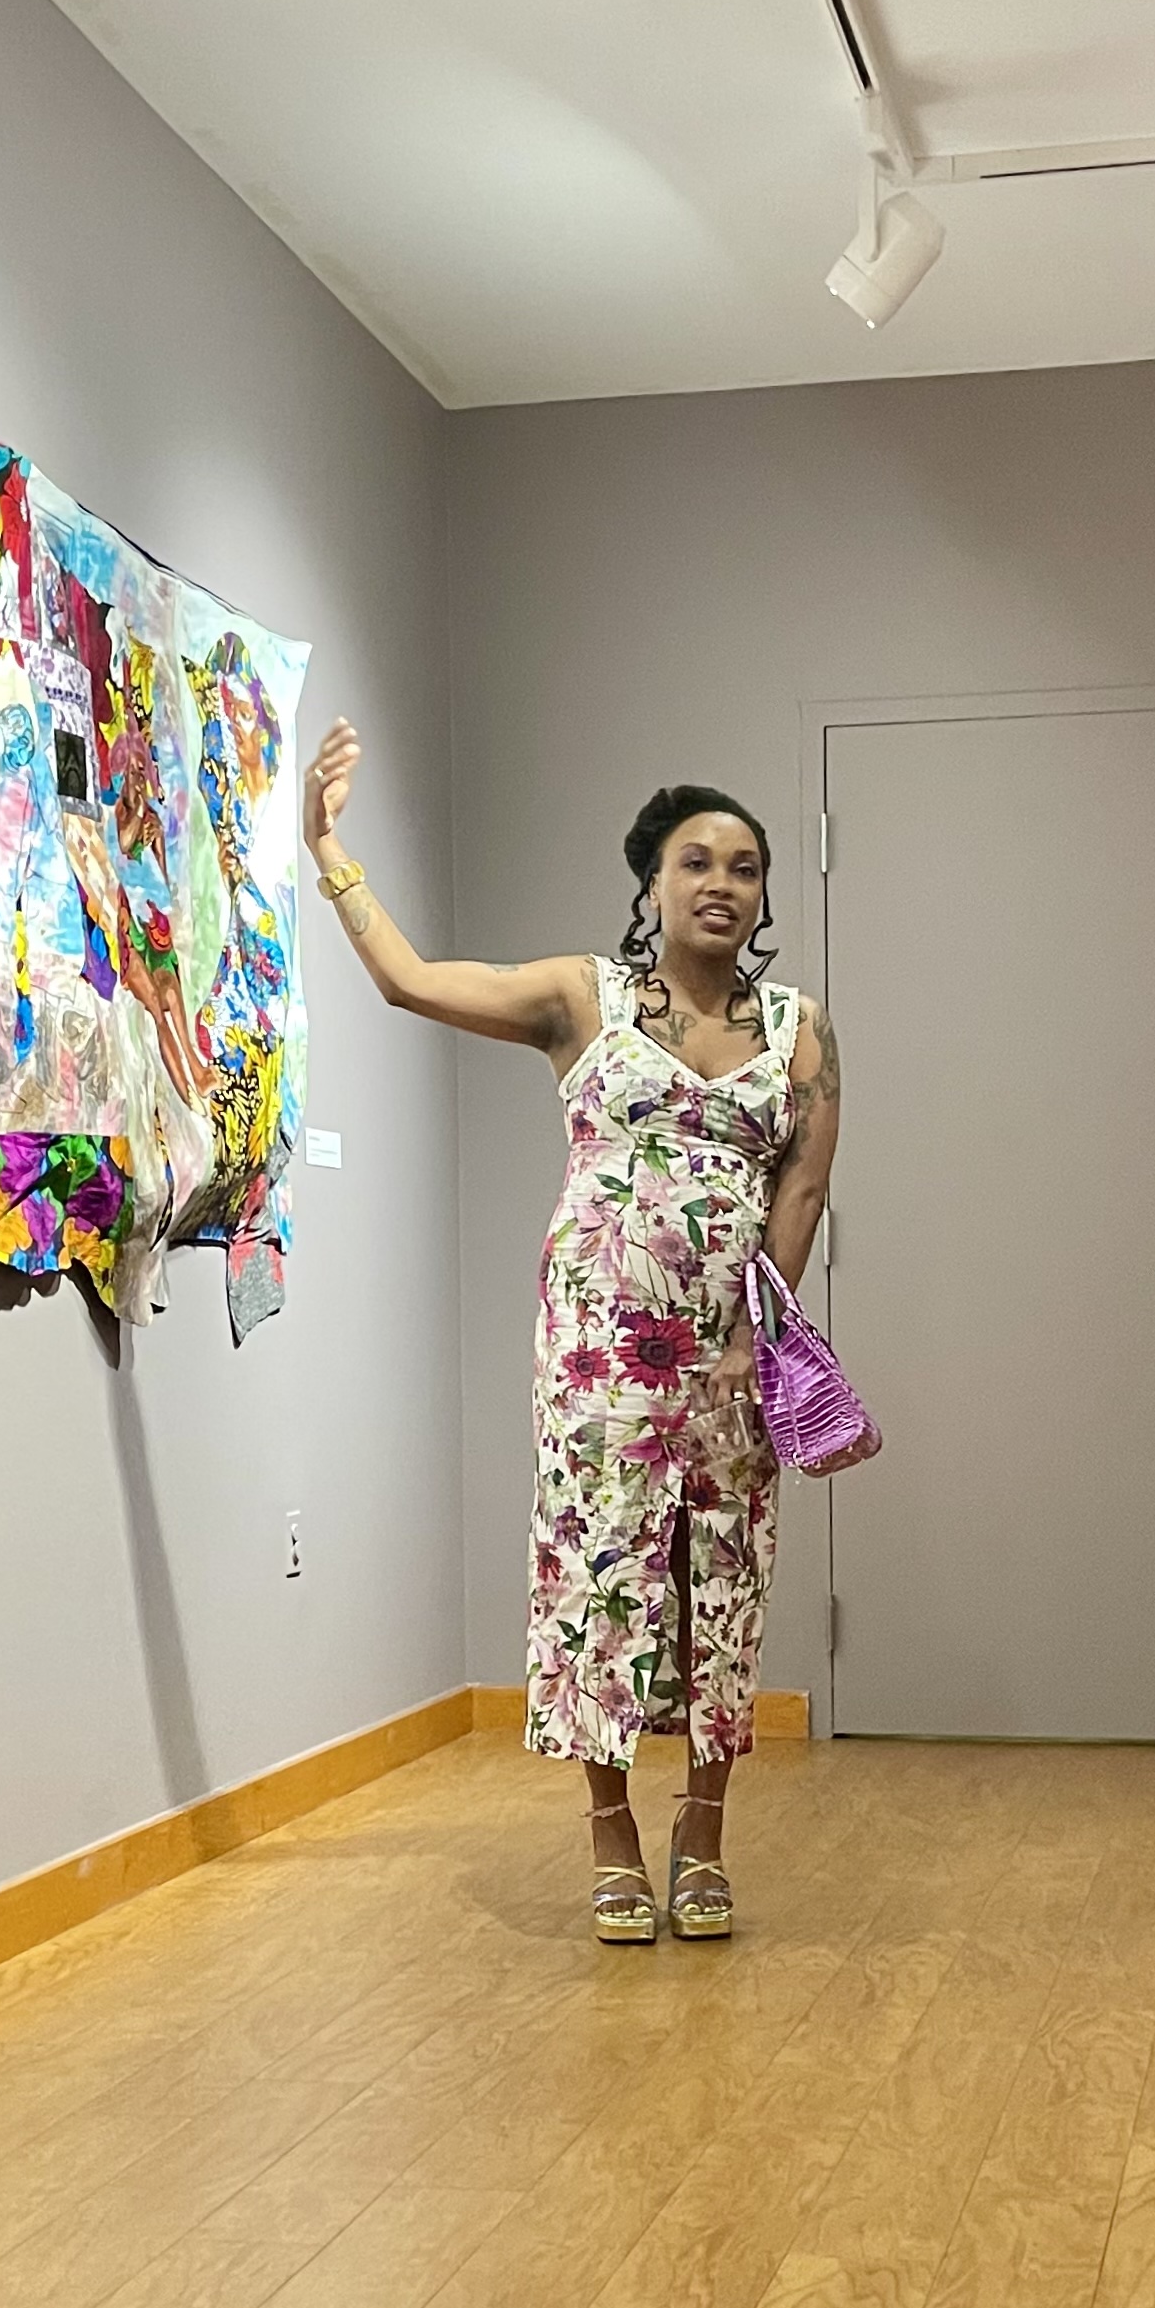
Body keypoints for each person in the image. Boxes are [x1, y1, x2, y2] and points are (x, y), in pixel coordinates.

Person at [302, 720, 836, 1940]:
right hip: (600, 1349)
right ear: (652, 880)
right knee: (601, 1575)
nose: (721, 884)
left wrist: (765, 1332)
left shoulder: (799, 1028)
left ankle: (704, 1831)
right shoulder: (579, 997)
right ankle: (612, 1835)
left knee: (721, 1581)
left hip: (730, 1353)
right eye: (696, 861)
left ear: (761, 897)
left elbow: (800, 1186)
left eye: (745, 868)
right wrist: (331, 850)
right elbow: (411, 980)